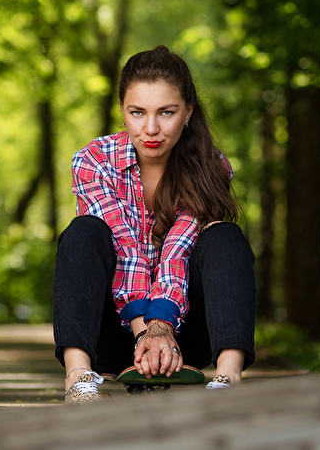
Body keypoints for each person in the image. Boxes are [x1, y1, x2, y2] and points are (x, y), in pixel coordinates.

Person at [52, 45, 256, 405]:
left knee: (225, 237)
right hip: (112, 332)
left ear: (188, 112)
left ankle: (229, 378)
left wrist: (162, 329)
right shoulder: (94, 161)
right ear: (122, 110)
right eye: (137, 112)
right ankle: (78, 377)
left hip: (184, 334)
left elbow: (178, 250)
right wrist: (145, 334)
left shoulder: (211, 167)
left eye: (166, 112)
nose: (151, 129)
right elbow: (127, 250)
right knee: (83, 232)